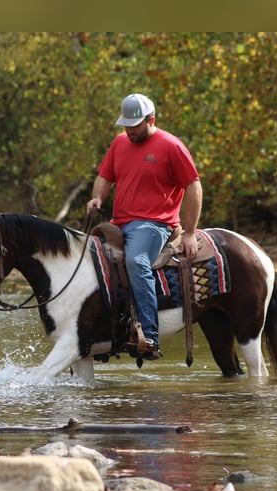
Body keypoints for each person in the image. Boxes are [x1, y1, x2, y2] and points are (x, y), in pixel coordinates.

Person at [86, 93, 203, 360]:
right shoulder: (119, 143)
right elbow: (105, 176)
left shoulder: (171, 146)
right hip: (119, 222)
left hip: (154, 224)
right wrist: (97, 198)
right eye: (126, 125)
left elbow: (193, 185)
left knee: (137, 262)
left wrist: (190, 232)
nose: (129, 130)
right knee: (89, 262)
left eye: (135, 125)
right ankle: (103, 332)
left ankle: (149, 335)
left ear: (151, 120)